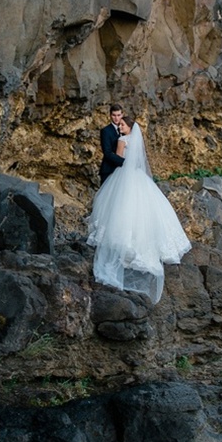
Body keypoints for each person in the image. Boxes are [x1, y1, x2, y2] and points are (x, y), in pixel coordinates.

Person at [87, 116, 191, 304]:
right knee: (143, 211)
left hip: (123, 176)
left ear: (129, 128)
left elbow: (119, 161)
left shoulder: (121, 141)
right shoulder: (134, 141)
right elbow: (135, 162)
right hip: (138, 176)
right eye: (120, 125)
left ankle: (123, 244)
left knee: (120, 209)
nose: (120, 128)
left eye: (123, 125)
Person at [99, 104, 124, 184]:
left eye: (118, 115)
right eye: (114, 115)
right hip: (109, 169)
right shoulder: (106, 131)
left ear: (122, 115)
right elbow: (107, 152)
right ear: (110, 115)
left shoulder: (125, 130)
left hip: (123, 171)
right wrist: (124, 162)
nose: (116, 118)